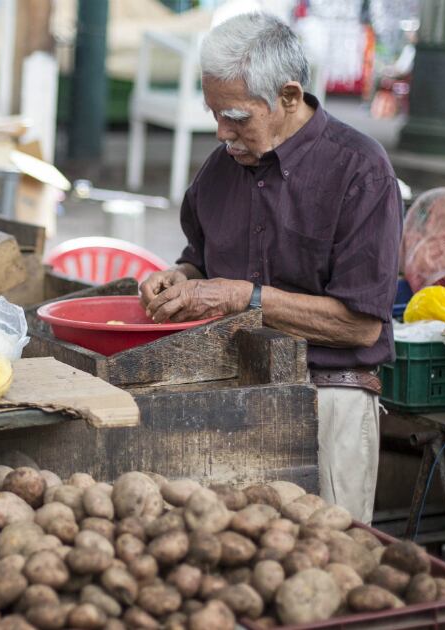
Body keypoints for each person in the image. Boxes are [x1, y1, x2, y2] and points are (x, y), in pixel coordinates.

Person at [139, 12, 401, 523]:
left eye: (236, 117)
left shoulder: (361, 171)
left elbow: (361, 323)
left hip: (328, 396)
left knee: (330, 564)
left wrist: (244, 297)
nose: (221, 132)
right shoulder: (220, 167)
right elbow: (200, 256)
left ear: (288, 96)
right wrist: (183, 279)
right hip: (226, 389)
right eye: (214, 113)